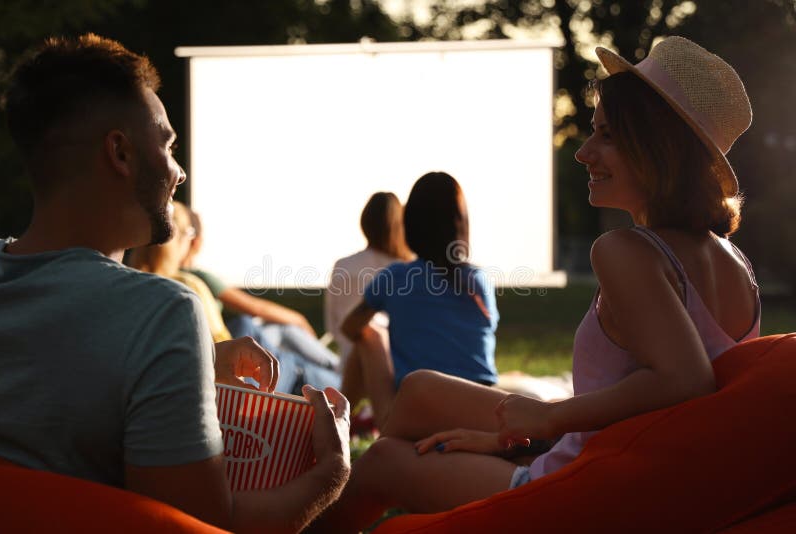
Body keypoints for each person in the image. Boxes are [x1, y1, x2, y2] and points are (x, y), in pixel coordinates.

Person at [307, 36, 760, 533]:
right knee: (417, 391)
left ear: (658, 149)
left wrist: (547, 422)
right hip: (631, 468)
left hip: (587, 492)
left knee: (384, 462)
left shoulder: (627, 251)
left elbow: (685, 382)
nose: (585, 152)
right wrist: (524, 434)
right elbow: (658, 402)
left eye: (606, 136)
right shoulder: (735, 262)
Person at [0, 34, 350, 532]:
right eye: (166, 144)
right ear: (120, 153)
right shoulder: (162, 310)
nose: (178, 171)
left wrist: (191, 367)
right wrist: (330, 476)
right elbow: (203, 527)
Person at [342, 172, 500, 428]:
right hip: (481, 412)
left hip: (417, 418)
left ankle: (338, 421)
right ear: (462, 224)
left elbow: (349, 328)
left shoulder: (397, 276)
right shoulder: (478, 280)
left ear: (409, 224)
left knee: (369, 334)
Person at [180, 207, 341, 372]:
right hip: (221, 349)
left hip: (203, 355)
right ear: (196, 242)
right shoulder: (196, 277)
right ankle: (340, 368)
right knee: (284, 331)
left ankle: (337, 368)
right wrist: (299, 319)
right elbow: (255, 308)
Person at [324, 192, 412, 408]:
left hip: (347, 372)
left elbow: (334, 328)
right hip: (395, 374)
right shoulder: (408, 271)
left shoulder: (343, 266)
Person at [127, 201, 232, 342]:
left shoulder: (124, 284)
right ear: (180, 238)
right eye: (190, 233)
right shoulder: (189, 287)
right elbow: (223, 344)